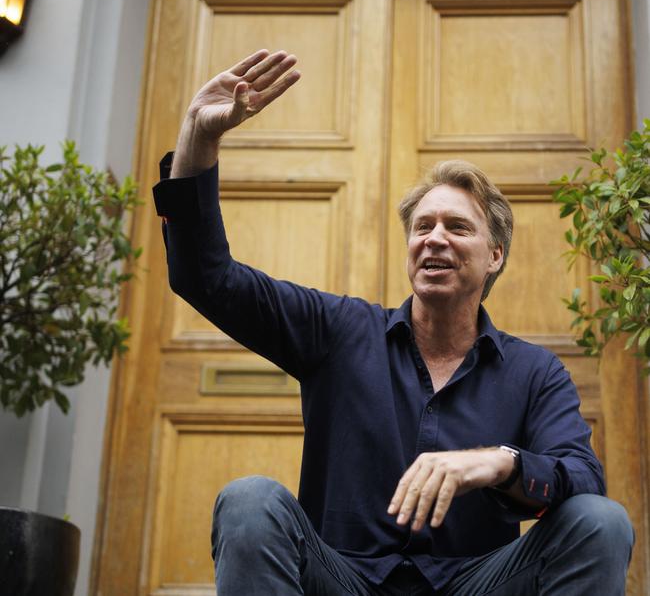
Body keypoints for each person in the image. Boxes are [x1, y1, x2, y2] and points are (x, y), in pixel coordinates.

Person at [153, 49, 634, 595]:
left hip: (476, 585)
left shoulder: (534, 372)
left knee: (601, 520)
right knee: (249, 499)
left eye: (458, 227)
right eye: (422, 226)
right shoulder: (339, 331)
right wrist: (199, 137)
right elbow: (205, 278)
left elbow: (585, 480)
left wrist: (496, 463)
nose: (434, 238)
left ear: (495, 255)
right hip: (341, 581)